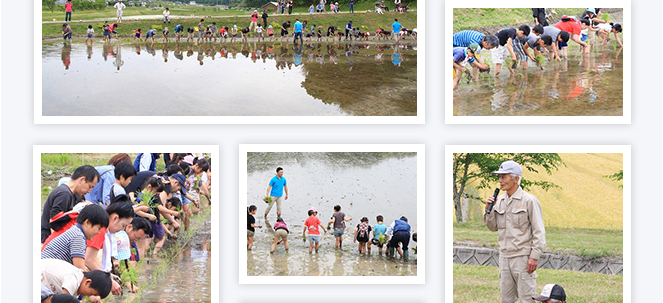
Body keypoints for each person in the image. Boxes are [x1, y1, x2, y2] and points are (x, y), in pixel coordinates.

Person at [484, 160, 546, 303]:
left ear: (516, 178)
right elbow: (492, 227)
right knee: (506, 299)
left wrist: (534, 256)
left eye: (504, 177)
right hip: (504, 257)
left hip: (523, 258)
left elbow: (539, 231)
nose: (500, 181)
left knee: (527, 299)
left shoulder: (529, 200)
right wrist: (488, 209)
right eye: (499, 177)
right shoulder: (499, 201)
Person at [85, 200, 135, 296]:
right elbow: (89, 260)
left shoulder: (106, 231)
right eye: (123, 225)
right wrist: (109, 281)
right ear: (115, 218)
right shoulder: (100, 229)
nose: (122, 229)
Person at [42, 165, 100, 243]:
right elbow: (54, 222)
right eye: (90, 187)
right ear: (82, 180)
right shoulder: (64, 194)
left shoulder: (75, 194)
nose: (89, 191)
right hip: (48, 240)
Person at [41, 204, 109, 269]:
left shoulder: (76, 231)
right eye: (99, 228)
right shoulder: (78, 237)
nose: (99, 232)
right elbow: (79, 268)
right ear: (87, 222)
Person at [41, 259, 112, 301]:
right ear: (88, 282)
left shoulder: (79, 276)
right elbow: (66, 301)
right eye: (91, 294)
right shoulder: (73, 279)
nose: (88, 296)